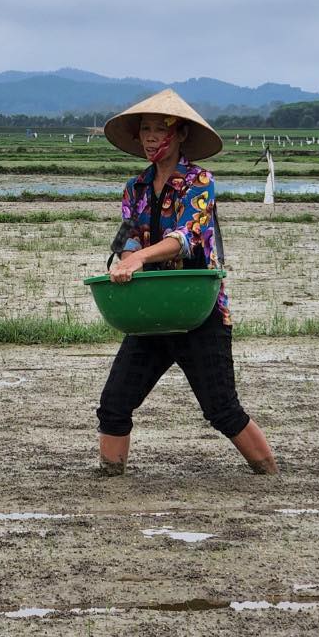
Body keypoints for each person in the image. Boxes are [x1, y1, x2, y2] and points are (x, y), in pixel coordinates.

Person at [95, 89, 277, 476]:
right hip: (150, 311)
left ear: (180, 136)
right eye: (145, 128)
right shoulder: (135, 188)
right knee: (114, 403)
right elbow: (128, 239)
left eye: (160, 129)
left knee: (222, 409)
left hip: (198, 310)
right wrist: (127, 261)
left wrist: (140, 258)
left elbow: (185, 237)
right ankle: (108, 481)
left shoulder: (200, 182)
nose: (150, 136)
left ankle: (270, 475)